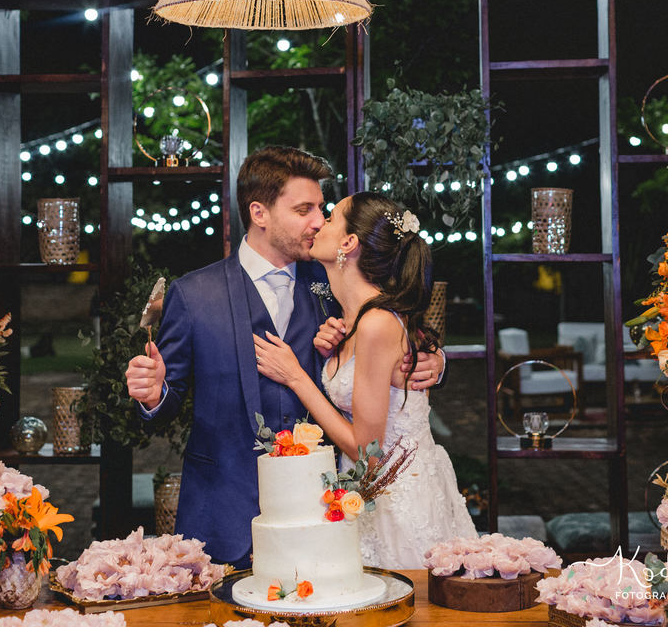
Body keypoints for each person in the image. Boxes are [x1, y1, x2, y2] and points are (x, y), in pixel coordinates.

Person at [125, 146, 443, 567]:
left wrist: (433, 362)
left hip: (324, 512)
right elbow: (167, 401)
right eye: (304, 209)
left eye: (322, 209)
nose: (318, 221)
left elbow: (396, 330)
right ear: (259, 213)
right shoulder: (194, 294)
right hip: (224, 511)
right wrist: (153, 394)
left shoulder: (335, 279)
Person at [253, 191, 476, 568]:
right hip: (365, 494)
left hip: (396, 503)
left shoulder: (375, 324)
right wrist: (331, 355)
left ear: (349, 243)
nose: (319, 223)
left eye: (331, 217)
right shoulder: (353, 319)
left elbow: (366, 451)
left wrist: (296, 377)